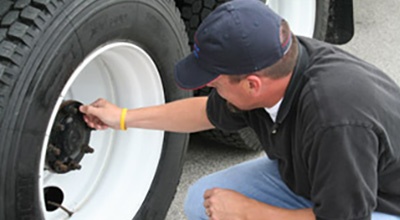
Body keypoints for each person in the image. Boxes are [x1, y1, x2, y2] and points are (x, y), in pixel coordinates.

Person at [79, 0, 400, 219]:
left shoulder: (335, 119)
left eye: (216, 83)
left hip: (379, 201)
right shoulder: (274, 64)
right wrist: (122, 117)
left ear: (252, 85)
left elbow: (343, 217)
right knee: (203, 200)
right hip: (325, 179)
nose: (212, 88)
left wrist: (250, 211)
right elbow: (204, 112)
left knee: (236, 208)